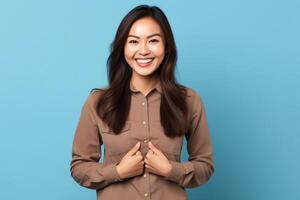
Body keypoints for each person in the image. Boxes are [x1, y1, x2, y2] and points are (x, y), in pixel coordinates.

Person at [70, 5, 214, 200]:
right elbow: (79, 167)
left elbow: (205, 165)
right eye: (134, 42)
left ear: (166, 46)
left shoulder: (189, 100)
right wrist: (118, 172)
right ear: (123, 47)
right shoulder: (98, 102)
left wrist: (171, 170)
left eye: (153, 41)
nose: (144, 51)